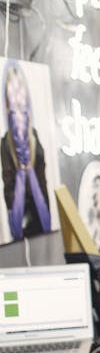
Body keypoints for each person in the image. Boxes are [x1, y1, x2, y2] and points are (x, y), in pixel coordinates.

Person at [1, 60, 52, 241]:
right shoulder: (6, 143)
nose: (18, 98)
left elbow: (43, 179)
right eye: (13, 93)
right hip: (21, 217)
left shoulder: (34, 137)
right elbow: (8, 184)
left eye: (20, 91)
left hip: (40, 215)